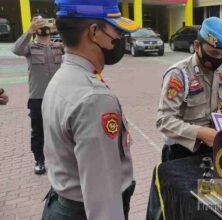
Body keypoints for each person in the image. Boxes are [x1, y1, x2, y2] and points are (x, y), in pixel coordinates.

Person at [41, 0, 139, 219]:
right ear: (94, 32)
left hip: (60, 204)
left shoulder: (63, 77)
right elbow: (103, 202)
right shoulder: (94, 98)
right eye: (117, 30)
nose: (120, 37)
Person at [156, 17, 222, 162]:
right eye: (213, 53)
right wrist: (200, 133)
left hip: (212, 146)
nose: (219, 59)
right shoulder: (178, 75)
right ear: (197, 46)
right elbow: (164, 121)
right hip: (182, 150)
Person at [12, 14, 63, 175]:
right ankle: (39, 161)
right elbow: (16, 49)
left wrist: (60, 29)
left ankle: (60, 160)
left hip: (58, 97)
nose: (42, 26)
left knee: (60, 130)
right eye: (37, 23)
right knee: (38, 131)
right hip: (37, 97)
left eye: (44, 22)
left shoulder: (58, 45)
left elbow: (73, 47)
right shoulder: (30, 47)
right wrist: (28, 32)